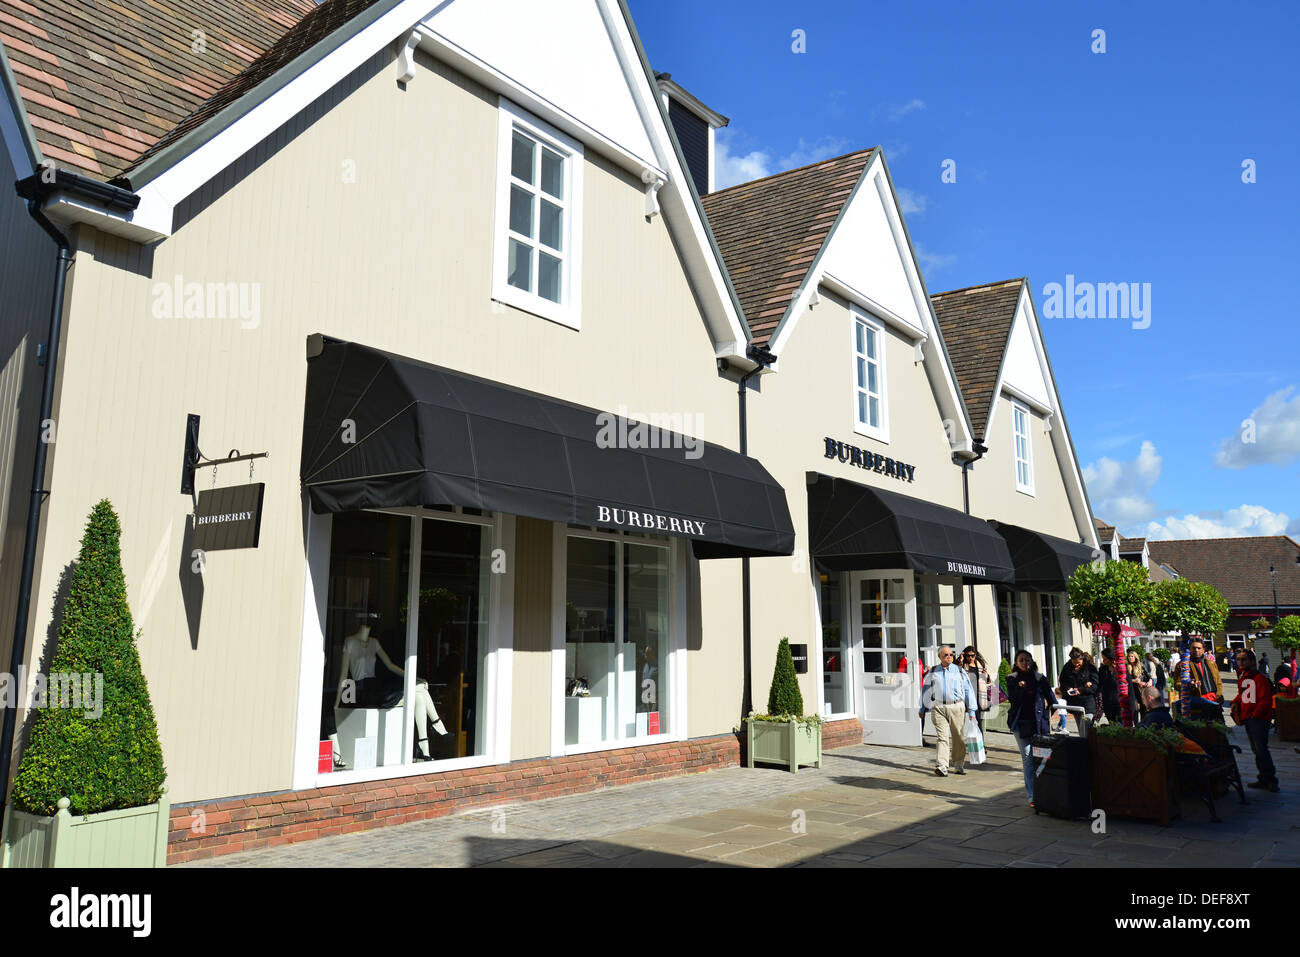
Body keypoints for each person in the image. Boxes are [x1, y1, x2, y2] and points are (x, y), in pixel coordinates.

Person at [1005, 649, 1059, 806]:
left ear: (1032, 661)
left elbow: (1052, 698)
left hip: (1038, 724)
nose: (1024, 663)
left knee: (1043, 758)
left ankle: (1044, 791)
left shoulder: (1040, 678)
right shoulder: (1012, 679)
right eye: (1021, 660)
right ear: (1016, 663)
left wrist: (1049, 713)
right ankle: (1032, 796)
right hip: (1020, 724)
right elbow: (1014, 700)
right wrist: (1020, 688)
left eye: (1027, 660)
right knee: (1028, 758)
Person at [919, 645, 976, 777]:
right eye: (946, 655)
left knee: (958, 737)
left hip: (956, 707)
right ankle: (942, 766)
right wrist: (922, 707)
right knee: (942, 738)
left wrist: (972, 710)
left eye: (951, 654)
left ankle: (958, 764)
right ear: (939, 657)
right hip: (938, 708)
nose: (949, 657)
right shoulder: (933, 671)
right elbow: (926, 691)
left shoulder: (960, 671)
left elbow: (968, 691)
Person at [1233, 649, 1279, 792]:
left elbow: (1265, 700)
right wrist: (1235, 702)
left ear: (1252, 661)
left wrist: (1255, 715)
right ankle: (1263, 778)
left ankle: (1271, 780)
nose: (1240, 662)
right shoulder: (1244, 676)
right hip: (1249, 718)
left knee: (1261, 749)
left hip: (1257, 719)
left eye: (1244, 659)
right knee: (1257, 750)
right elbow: (1244, 695)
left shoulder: (1259, 678)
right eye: (1238, 659)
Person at [1177, 639, 1224, 716]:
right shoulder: (1182, 665)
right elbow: (1177, 684)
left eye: (1199, 648)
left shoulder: (1211, 663)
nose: (1196, 650)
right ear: (1190, 649)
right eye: (1193, 648)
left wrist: (1219, 695)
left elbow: (1218, 681)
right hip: (1195, 702)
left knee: (1217, 725)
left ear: (1203, 650)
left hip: (1213, 700)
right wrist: (1188, 684)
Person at [1058, 648, 1100, 733]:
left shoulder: (1090, 668)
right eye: (1074, 662)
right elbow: (1062, 683)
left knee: (1085, 729)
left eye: (1078, 663)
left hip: (1087, 704)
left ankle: (1089, 745)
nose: (1076, 665)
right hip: (1075, 704)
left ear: (1082, 658)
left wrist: (1082, 690)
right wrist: (1068, 689)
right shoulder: (1067, 667)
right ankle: (1084, 745)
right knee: (1081, 732)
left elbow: (1095, 686)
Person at [960, 646, 993, 735]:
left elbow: (988, 681)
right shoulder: (963, 666)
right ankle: (975, 744)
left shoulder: (980, 666)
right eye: (968, 656)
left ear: (975, 655)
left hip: (980, 697)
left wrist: (986, 676)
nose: (970, 658)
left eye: (972, 655)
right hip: (969, 697)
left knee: (978, 722)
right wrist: (960, 659)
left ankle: (980, 745)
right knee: (967, 722)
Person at [1098, 647, 1121, 724]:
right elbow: (1099, 683)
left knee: (1120, 724)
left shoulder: (1120, 669)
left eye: (1105, 659)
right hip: (1107, 701)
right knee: (1111, 723)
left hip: (1119, 701)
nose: (1103, 661)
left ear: (1111, 658)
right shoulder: (1102, 669)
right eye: (1102, 659)